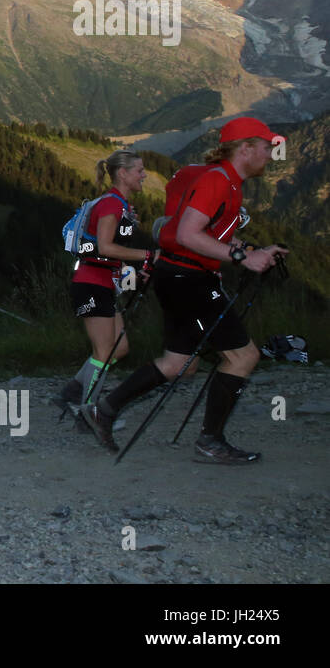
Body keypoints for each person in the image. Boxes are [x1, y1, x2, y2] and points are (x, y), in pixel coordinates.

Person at [81, 118, 290, 463]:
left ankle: (104, 410)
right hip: (190, 279)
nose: (271, 154)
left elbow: (210, 232)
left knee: (179, 363)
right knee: (243, 356)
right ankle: (211, 442)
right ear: (246, 148)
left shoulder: (228, 183)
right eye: (267, 147)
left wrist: (252, 252)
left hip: (177, 276)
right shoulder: (217, 181)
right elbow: (188, 235)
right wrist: (241, 257)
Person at [59, 150, 155, 409]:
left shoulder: (120, 204)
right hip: (90, 284)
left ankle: (71, 392)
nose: (144, 175)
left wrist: (133, 277)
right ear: (123, 174)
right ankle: (89, 412)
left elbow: (113, 257)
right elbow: (104, 247)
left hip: (102, 283)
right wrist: (149, 255)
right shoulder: (112, 204)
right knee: (103, 352)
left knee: (119, 348)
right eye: (139, 170)